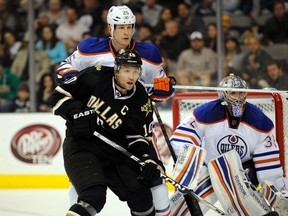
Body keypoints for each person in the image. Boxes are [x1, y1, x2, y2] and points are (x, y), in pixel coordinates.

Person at [55, 5, 173, 215]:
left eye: (129, 27)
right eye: (120, 27)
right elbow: (64, 69)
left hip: (128, 127)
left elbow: (161, 91)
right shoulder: (91, 48)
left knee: (153, 176)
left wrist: (162, 89)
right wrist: (77, 85)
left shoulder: (149, 53)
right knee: (85, 183)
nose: (126, 32)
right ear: (110, 28)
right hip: (93, 126)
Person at [169, 74, 288, 215]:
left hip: (246, 173)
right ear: (223, 93)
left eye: (241, 93)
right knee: (179, 206)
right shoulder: (205, 113)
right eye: (233, 93)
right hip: (210, 170)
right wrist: (189, 168)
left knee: (227, 168)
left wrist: (280, 196)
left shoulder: (260, 122)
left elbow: (269, 170)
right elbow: (181, 140)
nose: (238, 98)